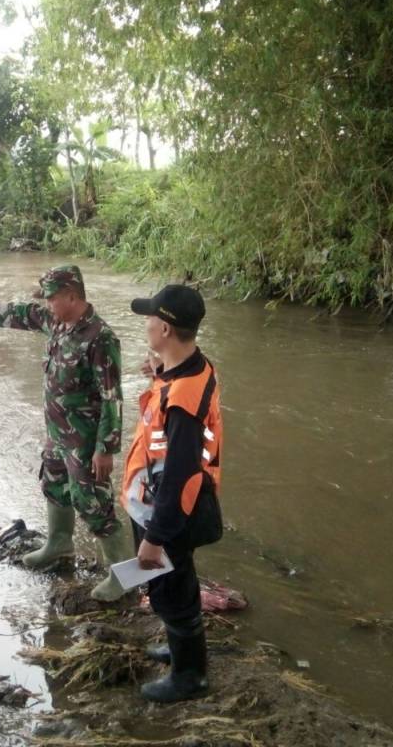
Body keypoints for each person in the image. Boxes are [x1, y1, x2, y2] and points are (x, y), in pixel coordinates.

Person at [0, 265, 133, 601]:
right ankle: (59, 544)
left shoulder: (100, 337)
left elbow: (113, 397)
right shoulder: (56, 321)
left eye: (52, 297)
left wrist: (106, 449)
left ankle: (123, 576)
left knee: (93, 502)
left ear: (72, 295)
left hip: (85, 438)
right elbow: (24, 314)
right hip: (57, 431)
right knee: (53, 483)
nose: (47, 303)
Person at [120, 284, 224, 702]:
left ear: (164, 327)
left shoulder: (182, 399)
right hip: (169, 504)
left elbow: (180, 474)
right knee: (177, 585)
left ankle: (190, 678)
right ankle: (181, 651)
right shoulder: (193, 368)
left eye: (149, 319)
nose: (146, 325)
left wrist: (156, 537)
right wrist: (159, 374)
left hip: (172, 511)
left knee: (170, 592)